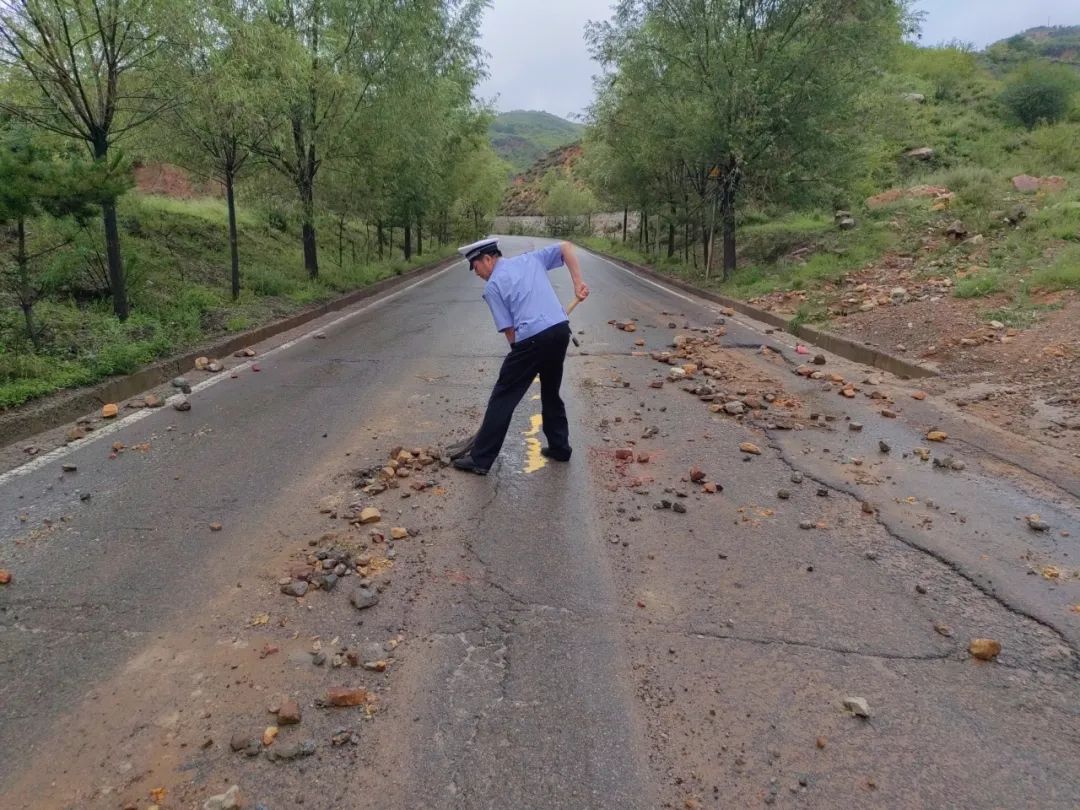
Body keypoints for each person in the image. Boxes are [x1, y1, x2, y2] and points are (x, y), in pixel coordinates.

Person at [452, 238, 589, 475]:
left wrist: (520, 360)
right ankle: (560, 447)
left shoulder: (493, 287)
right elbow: (566, 247)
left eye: (475, 267)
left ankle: (480, 459)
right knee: (550, 390)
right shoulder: (530, 259)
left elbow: (510, 332)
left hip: (532, 340)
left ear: (487, 259)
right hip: (559, 331)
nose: (476, 273)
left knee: (503, 395)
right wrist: (578, 283)